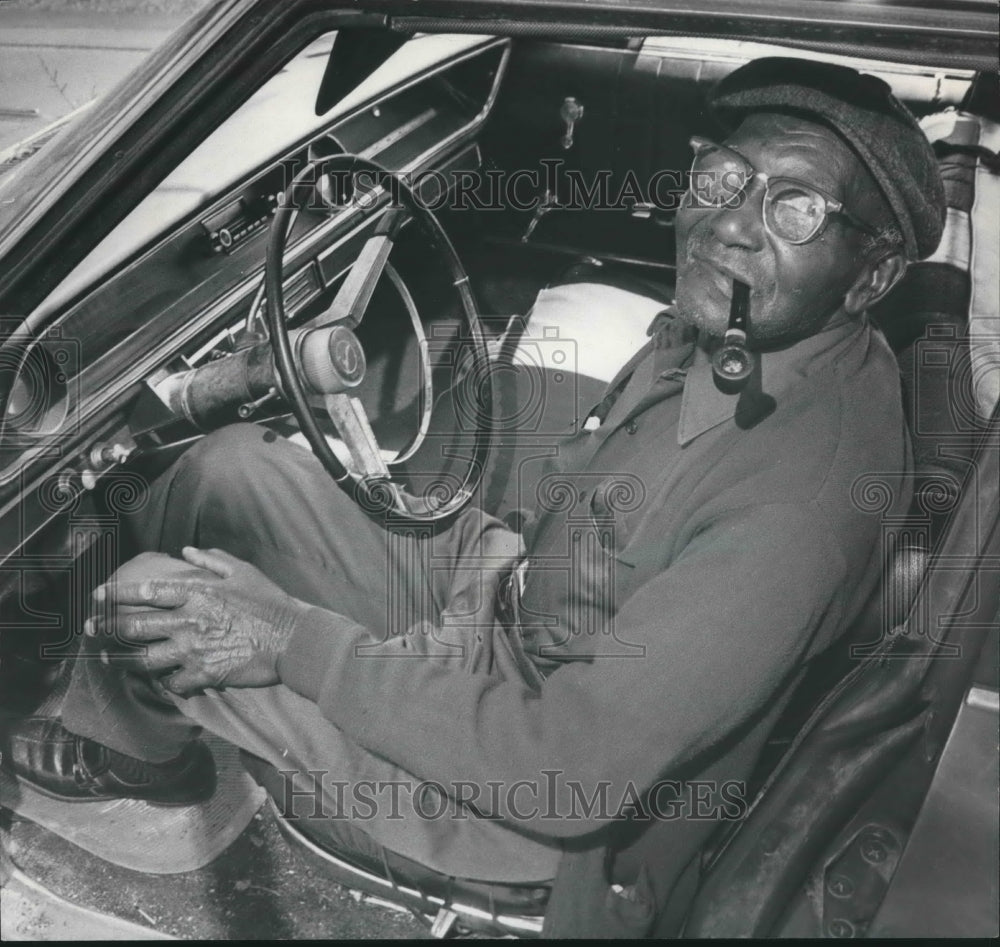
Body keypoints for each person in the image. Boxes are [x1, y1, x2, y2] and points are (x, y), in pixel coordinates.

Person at [3, 58, 944, 934]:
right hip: (511, 601)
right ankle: (134, 740)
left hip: (533, 807)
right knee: (229, 470)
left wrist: (293, 638)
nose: (732, 223)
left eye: (798, 211)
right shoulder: (745, 328)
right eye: (725, 178)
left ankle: (132, 755)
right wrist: (486, 568)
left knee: (167, 609)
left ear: (875, 275)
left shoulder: (796, 505)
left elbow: (569, 770)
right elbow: (591, 491)